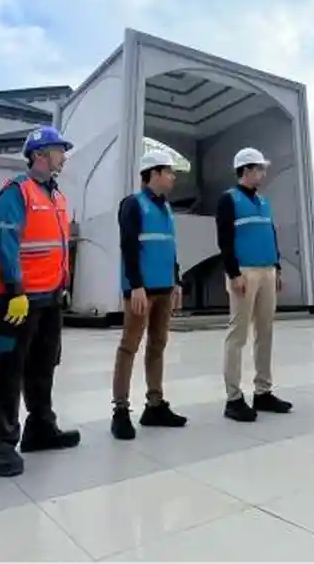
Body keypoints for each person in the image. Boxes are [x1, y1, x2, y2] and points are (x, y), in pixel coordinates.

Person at [0, 126, 81, 478]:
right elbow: (6, 242)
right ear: (39, 154)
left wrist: (62, 287)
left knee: (42, 365)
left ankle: (40, 428)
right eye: (58, 150)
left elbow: (58, 248)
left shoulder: (57, 196)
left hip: (49, 297)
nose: (63, 156)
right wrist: (15, 290)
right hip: (17, 299)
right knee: (7, 369)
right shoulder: (15, 191)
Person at [110, 149, 189, 440]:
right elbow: (128, 247)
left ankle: (155, 405)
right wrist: (134, 286)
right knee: (129, 346)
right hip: (142, 291)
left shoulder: (166, 208)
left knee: (158, 345)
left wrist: (176, 280)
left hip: (165, 288)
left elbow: (170, 248)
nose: (172, 177)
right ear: (153, 174)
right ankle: (120, 410)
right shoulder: (133, 205)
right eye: (168, 172)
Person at [215, 147, 292, 422]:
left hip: (268, 270)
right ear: (246, 170)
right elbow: (224, 240)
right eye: (259, 168)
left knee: (265, 331)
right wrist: (233, 273)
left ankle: (263, 391)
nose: (263, 173)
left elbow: (270, 234)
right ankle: (234, 398)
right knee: (237, 334)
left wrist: (278, 267)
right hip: (244, 273)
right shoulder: (229, 200)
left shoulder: (264, 201)